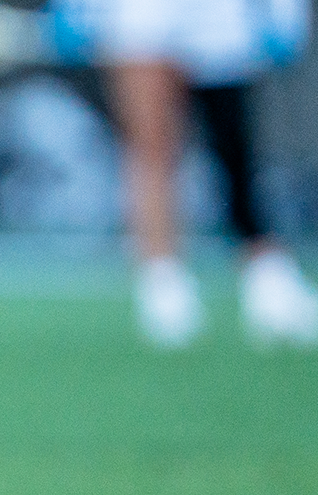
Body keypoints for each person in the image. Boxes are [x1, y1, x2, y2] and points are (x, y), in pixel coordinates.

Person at [56, 0, 316, 347]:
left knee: (234, 148)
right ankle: (163, 285)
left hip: (218, 11)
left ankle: (268, 280)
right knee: (151, 148)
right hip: (140, 11)